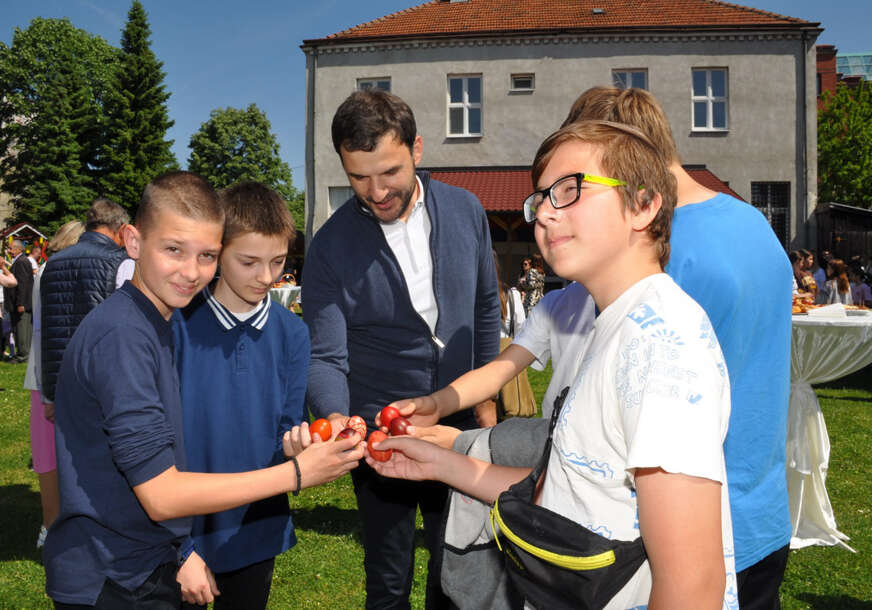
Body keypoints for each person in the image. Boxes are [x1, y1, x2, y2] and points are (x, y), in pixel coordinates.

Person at [369, 120, 737, 609]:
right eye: (540, 198)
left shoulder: (661, 347)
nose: (543, 214)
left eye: (569, 190)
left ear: (644, 205)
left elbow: (692, 587)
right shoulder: (615, 327)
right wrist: (439, 464)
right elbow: (568, 492)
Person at [44, 171, 364, 608]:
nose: (191, 271)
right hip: (123, 569)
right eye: (174, 250)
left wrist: (297, 446)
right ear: (133, 242)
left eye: (206, 255)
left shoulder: (153, 322)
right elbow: (161, 492)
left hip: (158, 555)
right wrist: (298, 475)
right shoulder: (132, 333)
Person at [303, 89, 500, 609]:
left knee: (455, 569)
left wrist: (485, 403)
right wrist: (340, 418)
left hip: (454, 423)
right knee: (388, 581)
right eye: (357, 177)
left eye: (388, 172)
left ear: (416, 149)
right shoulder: (328, 246)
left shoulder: (465, 210)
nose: (375, 191)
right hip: (377, 435)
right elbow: (325, 355)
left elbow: (485, 310)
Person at [172, 182, 309, 609]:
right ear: (215, 252)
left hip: (255, 527)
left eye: (279, 261)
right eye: (248, 261)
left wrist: (297, 444)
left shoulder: (293, 333)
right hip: (180, 527)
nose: (266, 277)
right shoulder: (176, 326)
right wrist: (179, 547)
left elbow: (289, 421)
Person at [24, 221, 86, 550]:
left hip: (45, 374)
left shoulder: (47, 270)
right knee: (50, 455)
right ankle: (50, 523)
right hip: (50, 376)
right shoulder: (54, 272)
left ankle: (52, 522)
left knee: (50, 455)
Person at [40, 198, 131, 408]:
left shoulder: (53, 263)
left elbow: (44, 326)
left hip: (60, 381)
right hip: (105, 383)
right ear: (122, 229)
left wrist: (48, 395)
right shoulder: (120, 261)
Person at [4, 238, 34, 362]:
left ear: (18, 249)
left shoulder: (21, 262)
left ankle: (23, 355)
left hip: (22, 303)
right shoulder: (19, 261)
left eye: (10, 248)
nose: (9, 251)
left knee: (22, 330)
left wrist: (20, 303)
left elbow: (23, 284)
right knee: (19, 329)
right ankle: (22, 353)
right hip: (17, 302)